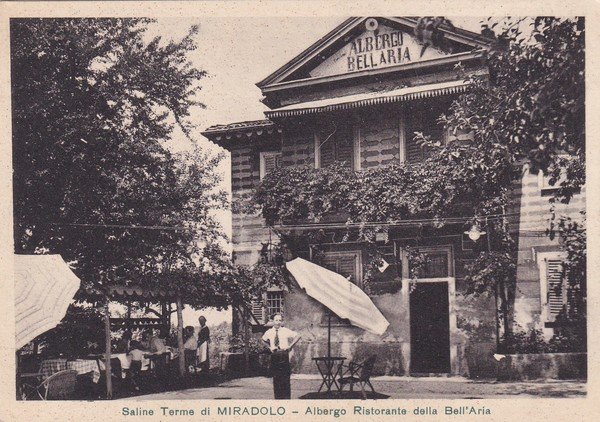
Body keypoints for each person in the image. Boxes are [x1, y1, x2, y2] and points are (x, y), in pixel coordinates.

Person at [262, 313, 301, 399]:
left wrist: (290, 346)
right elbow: (263, 340)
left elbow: (298, 335)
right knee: (276, 378)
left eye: (280, 320)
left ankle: (286, 398)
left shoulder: (285, 330)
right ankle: (278, 398)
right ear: (272, 321)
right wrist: (269, 347)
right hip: (275, 355)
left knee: (285, 378)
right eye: (276, 320)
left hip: (283, 354)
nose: (278, 322)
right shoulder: (269, 332)